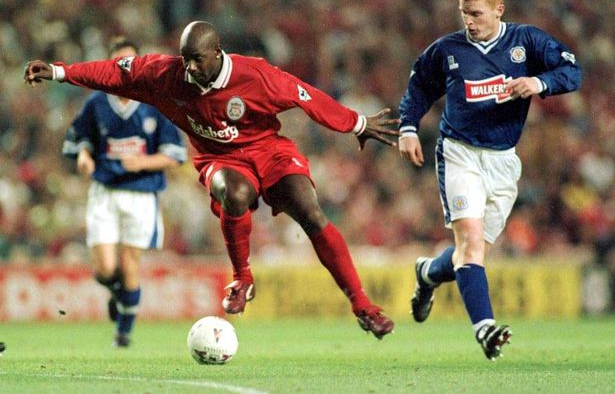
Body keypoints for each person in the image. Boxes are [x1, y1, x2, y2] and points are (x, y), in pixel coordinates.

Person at [25, 21, 399, 339]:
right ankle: (241, 278)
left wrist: (357, 123)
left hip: (269, 150)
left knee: (310, 211)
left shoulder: (257, 75)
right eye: (185, 58)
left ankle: (362, 305)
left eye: (197, 59)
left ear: (217, 52)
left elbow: (308, 97)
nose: (189, 67)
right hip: (218, 158)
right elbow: (112, 73)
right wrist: (59, 72)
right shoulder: (165, 73)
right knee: (233, 193)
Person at [398, 0, 582, 359]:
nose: (469, 21)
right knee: (470, 243)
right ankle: (485, 329)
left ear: (499, 10)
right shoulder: (448, 50)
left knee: (472, 249)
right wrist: (408, 128)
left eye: (476, 14)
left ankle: (428, 273)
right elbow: (419, 88)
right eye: (464, 13)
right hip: (459, 152)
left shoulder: (526, 42)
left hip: (503, 159)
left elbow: (573, 71)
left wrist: (538, 81)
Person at [61, 37, 187, 347]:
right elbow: (80, 140)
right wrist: (84, 156)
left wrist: (142, 162)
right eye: (118, 65)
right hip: (105, 189)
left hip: (141, 194)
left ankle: (123, 334)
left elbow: (174, 154)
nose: (125, 71)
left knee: (130, 262)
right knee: (105, 269)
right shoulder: (96, 103)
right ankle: (118, 293)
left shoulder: (156, 103)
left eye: (130, 63)